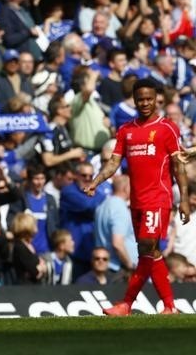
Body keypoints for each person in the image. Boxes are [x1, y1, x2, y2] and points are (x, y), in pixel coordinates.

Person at [86, 77, 190, 315]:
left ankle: (130, 303)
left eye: (149, 99)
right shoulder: (126, 130)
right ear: (134, 100)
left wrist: (183, 199)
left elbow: (179, 166)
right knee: (148, 253)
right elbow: (113, 162)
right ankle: (166, 306)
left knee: (147, 246)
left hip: (159, 199)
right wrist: (96, 181)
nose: (144, 103)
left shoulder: (167, 128)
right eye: (140, 99)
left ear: (156, 100)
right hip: (137, 202)